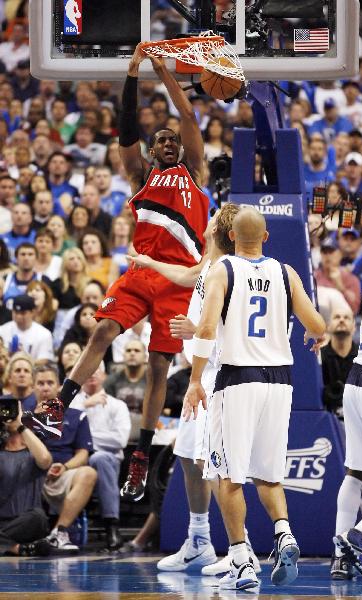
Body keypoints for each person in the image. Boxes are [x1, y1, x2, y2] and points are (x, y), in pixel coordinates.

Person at [57, 44, 209, 502]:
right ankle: (57, 405)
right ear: (151, 148)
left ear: (179, 148)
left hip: (178, 278)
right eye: (159, 139)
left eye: (171, 140)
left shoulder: (194, 171)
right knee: (102, 329)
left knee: (159, 367)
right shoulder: (141, 173)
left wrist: (161, 73)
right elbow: (125, 128)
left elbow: (186, 112)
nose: (167, 142)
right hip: (142, 272)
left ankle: (140, 455)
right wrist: (131, 77)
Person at [183, 207, 326, 591]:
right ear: (266, 237)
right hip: (280, 382)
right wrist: (318, 336)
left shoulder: (222, 271)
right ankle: (284, 533)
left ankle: (242, 560)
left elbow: (208, 327)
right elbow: (317, 324)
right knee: (269, 474)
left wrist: (196, 379)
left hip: (237, 379)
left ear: (231, 237)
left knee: (229, 477)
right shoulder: (286, 272)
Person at [131, 205, 261, 576]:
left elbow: (235, 329)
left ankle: (242, 548)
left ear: (221, 229)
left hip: (220, 376)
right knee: (188, 455)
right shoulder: (208, 263)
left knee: (212, 462)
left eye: (213, 219)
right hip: (200, 377)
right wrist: (149, 262)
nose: (204, 224)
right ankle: (200, 541)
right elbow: (186, 274)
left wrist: (196, 331)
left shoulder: (233, 271)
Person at [332, 280, 362, 582]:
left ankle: (340, 559)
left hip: (357, 377)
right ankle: (360, 535)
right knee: (356, 473)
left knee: (356, 472)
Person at [34, 363, 97, 552]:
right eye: (40, 383)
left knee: (88, 473)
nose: (45, 387)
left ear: (59, 386)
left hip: (62, 473)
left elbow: (83, 454)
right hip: (32, 474)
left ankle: (59, 533)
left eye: (49, 382)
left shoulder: (77, 416)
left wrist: (65, 467)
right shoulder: (21, 414)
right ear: (33, 387)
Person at [71, 364, 131, 552]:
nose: (91, 374)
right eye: (87, 371)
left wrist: (85, 440)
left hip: (107, 461)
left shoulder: (118, 405)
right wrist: (85, 405)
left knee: (101, 458)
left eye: (95, 370)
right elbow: (64, 434)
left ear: (104, 375)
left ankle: (111, 526)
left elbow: (120, 440)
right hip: (73, 459)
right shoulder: (72, 404)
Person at [0, 400, 52, 557]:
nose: (8, 416)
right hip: (2, 522)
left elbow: (45, 460)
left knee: (39, 516)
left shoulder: (33, 452)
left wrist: (21, 425)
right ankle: (15, 548)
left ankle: (6, 545)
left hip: (29, 522)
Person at [104, 340, 147, 442]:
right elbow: (106, 408)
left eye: (137, 351)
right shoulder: (111, 380)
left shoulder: (153, 381)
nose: (132, 353)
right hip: (117, 428)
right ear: (123, 355)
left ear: (145, 357)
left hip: (145, 429)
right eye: (128, 351)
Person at [321, 307, 357, 418]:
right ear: (328, 326)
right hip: (326, 420)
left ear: (354, 327)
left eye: (346, 318)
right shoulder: (318, 358)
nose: (341, 320)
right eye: (337, 317)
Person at [0, 294, 54, 361]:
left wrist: (24, 358)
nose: (19, 316)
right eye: (16, 312)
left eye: (23, 313)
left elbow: (44, 360)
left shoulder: (44, 334)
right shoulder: (2, 330)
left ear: (33, 312)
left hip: (34, 370)